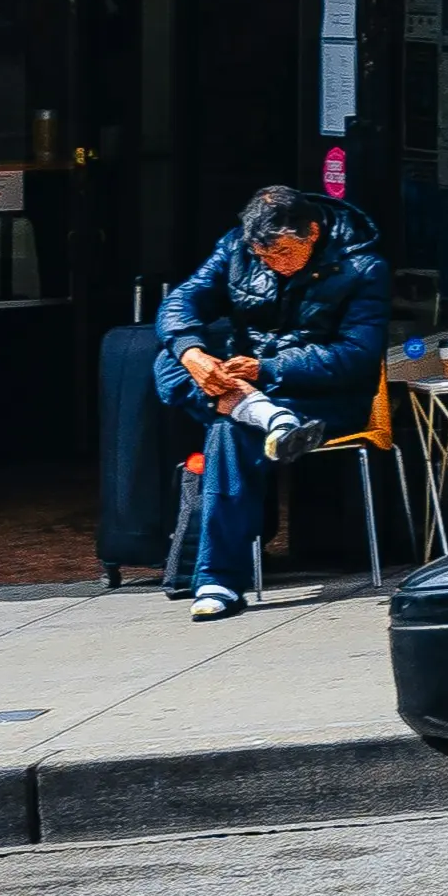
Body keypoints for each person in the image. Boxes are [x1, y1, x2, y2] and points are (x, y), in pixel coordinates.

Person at [152, 185, 389, 618]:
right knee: (168, 362)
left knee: (230, 429)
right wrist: (194, 354)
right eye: (262, 256)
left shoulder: (363, 267)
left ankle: (218, 581)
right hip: (251, 385)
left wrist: (267, 370)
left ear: (312, 233)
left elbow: (357, 358)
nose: (271, 264)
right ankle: (265, 415)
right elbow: (180, 302)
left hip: (321, 396)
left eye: (280, 253)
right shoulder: (238, 248)